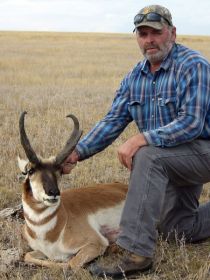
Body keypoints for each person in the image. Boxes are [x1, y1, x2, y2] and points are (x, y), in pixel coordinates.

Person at [63, 4, 210, 278]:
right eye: (142, 34)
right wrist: (77, 153)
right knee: (175, 229)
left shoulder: (194, 66)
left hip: (202, 153)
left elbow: (192, 124)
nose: (149, 40)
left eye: (156, 32)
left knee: (148, 155)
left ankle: (136, 254)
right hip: (173, 160)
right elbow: (112, 121)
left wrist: (142, 139)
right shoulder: (134, 77)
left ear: (172, 33)